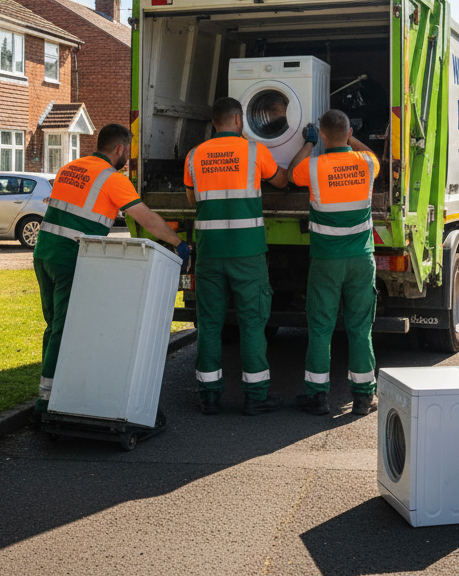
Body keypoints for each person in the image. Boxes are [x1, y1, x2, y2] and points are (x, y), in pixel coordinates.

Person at [32, 123, 189, 421]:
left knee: (54, 327)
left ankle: (48, 392)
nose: (126, 158)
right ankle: (47, 404)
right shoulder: (111, 178)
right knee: (64, 330)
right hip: (70, 258)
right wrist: (176, 242)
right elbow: (145, 217)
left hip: (44, 254)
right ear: (118, 149)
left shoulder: (70, 167)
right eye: (126, 152)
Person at [184, 97, 290, 416]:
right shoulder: (255, 152)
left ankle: (209, 396)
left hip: (210, 253)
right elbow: (281, 181)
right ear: (238, 120)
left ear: (214, 122)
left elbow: (193, 199)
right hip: (248, 253)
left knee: (210, 325)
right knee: (252, 324)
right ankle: (256, 396)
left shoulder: (194, 155)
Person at [288, 109, 380, 417]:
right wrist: (351, 137)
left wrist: (310, 143)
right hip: (361, 261)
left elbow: (291, 172)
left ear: (323, 134)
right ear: (349, 131)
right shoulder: (367, 163)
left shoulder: (313, 167)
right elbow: (370, 153)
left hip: (327, 262)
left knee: (321, 328)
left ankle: (317, 397)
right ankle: (364, 397)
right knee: (359, 328)